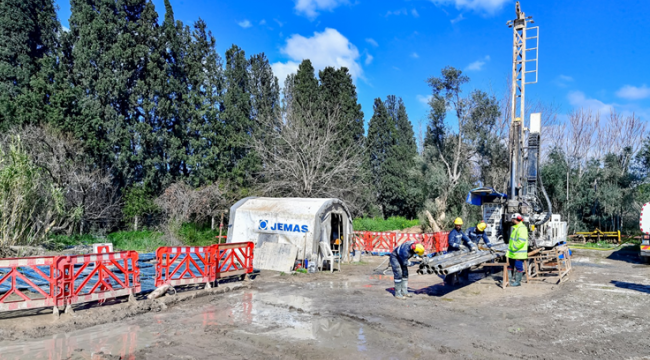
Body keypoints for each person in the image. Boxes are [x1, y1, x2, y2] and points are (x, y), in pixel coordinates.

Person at [506, 213, 528, 287]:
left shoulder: (522, 228)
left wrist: (514, 247)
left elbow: (521, 241)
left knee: (518, 266)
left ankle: (517, 282)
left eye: (512, 219)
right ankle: (508, 280)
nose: (511, 220)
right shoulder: (516, 228)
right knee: (510, 265)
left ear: (515, 219)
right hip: (513, 252)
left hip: (518, 252)